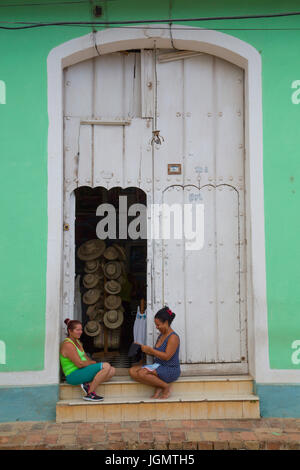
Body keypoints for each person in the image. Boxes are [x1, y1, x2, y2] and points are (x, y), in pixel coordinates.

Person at [129, 306, 181, 399]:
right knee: (132, 371)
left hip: (170, 369)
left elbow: (167, 357)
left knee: (142, 373)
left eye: (158, 325)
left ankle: (166, 387)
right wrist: (141, 347)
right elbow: (156, 353)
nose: (157, 327)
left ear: (165, 323)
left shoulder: (173, 337)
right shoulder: (161, 335)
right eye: (156, 325)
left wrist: (151, 350)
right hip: (158, 366)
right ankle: (160, 385)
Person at [60, 319, 115, 402]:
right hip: (73, 375)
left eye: (81, 329)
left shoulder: (77, 342)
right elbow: (79, 364)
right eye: (77, 330)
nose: (80, 332)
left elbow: (85, 358)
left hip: (81, 371)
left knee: (112, 371)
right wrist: (93, 363)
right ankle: (90, 393)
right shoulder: (68, 344)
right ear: (70, 331)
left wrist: (93, 364)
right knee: (106, 366)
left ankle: (88, 385)